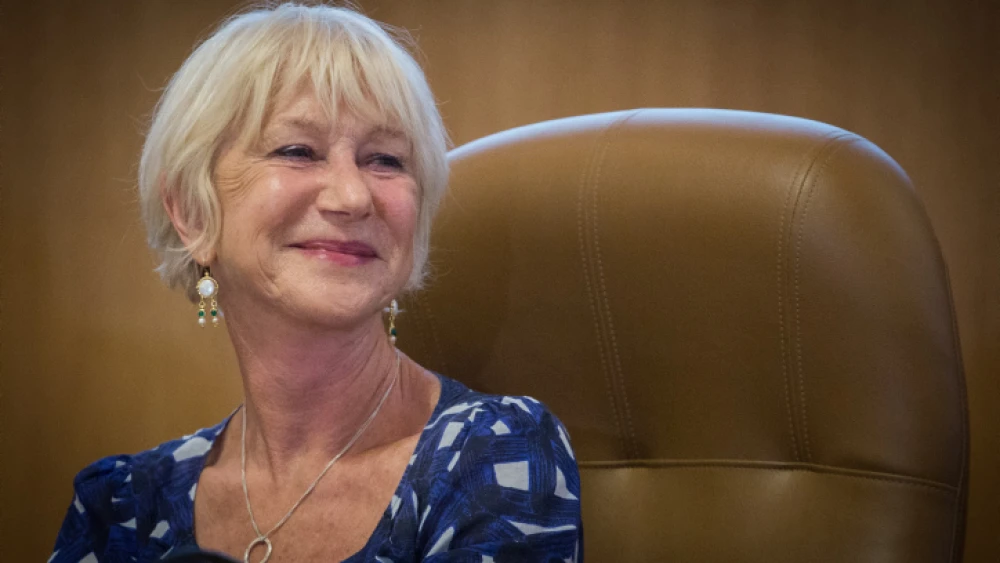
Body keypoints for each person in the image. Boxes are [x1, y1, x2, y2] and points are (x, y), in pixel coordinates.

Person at [50, 4, 582, 562]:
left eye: (385, 160)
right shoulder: (120, 506)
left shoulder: (496, 453)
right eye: (298, 151)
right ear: (190, 212)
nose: (352, 197)